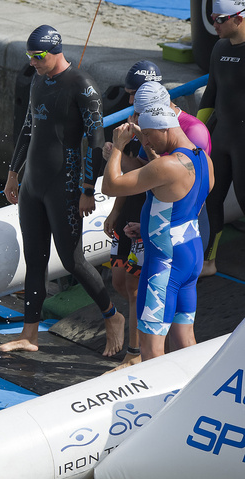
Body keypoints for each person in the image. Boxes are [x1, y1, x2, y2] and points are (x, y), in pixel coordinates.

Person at [0, 24, 125, 356]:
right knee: (34, 260)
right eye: (29, 56)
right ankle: (30, 335)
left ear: (55, 51)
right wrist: (13, 173)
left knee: (72, 260)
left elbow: (95, 141)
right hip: (32, 186)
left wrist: (87, 189)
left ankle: (113, 317)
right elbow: (28, 128)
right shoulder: (39, 79)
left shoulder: (82, 86)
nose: (33, 63)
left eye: (37, 57)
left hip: (64, 187)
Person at [103, 78, 212, 370]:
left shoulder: (167, 165)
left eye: (148, 136)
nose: (146, 142)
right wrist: (150, 225)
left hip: (164, 264)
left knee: (152, 353)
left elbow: (111, 186)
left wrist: (118, 147)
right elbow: (184, 205)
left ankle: (161, 407)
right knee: (184, 339)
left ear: (164, 128)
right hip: (190, 256)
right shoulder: (202, 160)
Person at [102, 61, 163, 368]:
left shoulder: (156, 125)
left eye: (133, 94)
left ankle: (135, 353)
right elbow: (125, 180)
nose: (128, 101)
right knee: (119, 282)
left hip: (144, 214)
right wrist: (114, 211)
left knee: (135, 287)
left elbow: (146, 172)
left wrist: (117, 154)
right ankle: (128, 328)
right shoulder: (133, 120)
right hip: (127, 211)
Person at [198, 0, 245, 277]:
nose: (214, 24)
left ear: (239, 18)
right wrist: (195, 134)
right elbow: (210, 94)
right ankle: (209, 261)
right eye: (213, 18)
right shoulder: (219, 48)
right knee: (211, 199)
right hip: (222, 137)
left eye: (220, 19)